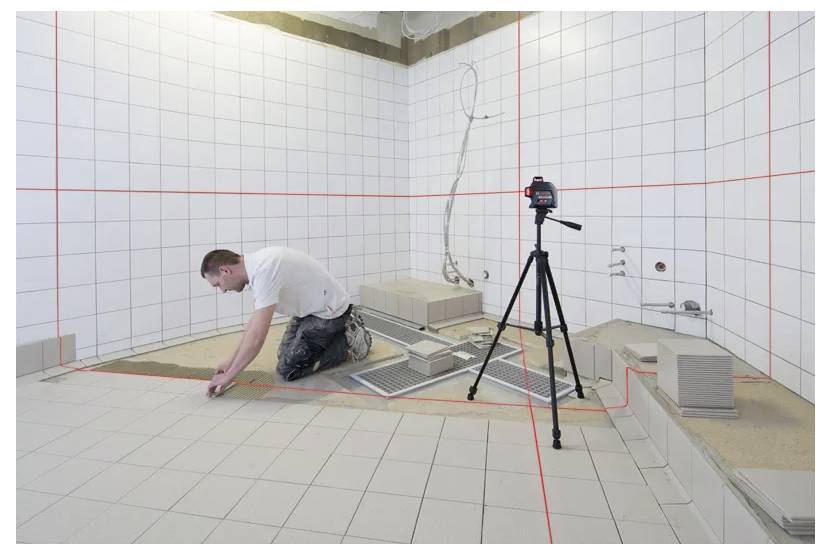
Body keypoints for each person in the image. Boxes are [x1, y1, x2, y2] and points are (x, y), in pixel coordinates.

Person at [200, 247, 371, 396]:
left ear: (225, 270)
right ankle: (334, 335)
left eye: (217, 284)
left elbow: (257, 337)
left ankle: (347, 340)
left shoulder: (265, 270)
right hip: (307, 310)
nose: (222, 290)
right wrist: (231, 362)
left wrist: (229, 376)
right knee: (285, 355)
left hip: (328, 312)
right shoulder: (257, 266)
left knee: (288, 370)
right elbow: (254, 323)